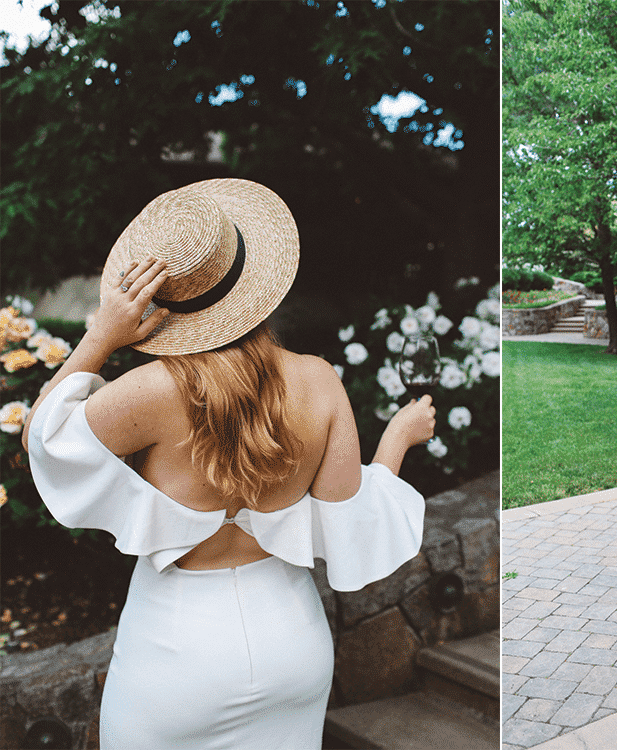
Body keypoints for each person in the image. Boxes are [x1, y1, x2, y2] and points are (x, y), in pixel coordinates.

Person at [21, 178, 436, 748]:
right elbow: (352, 514)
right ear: (253, 282)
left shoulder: (149, 392)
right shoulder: (318, 379)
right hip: (292, 642)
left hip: (175, 657)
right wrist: (397, 442)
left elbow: (43, 437)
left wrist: (100, 336)